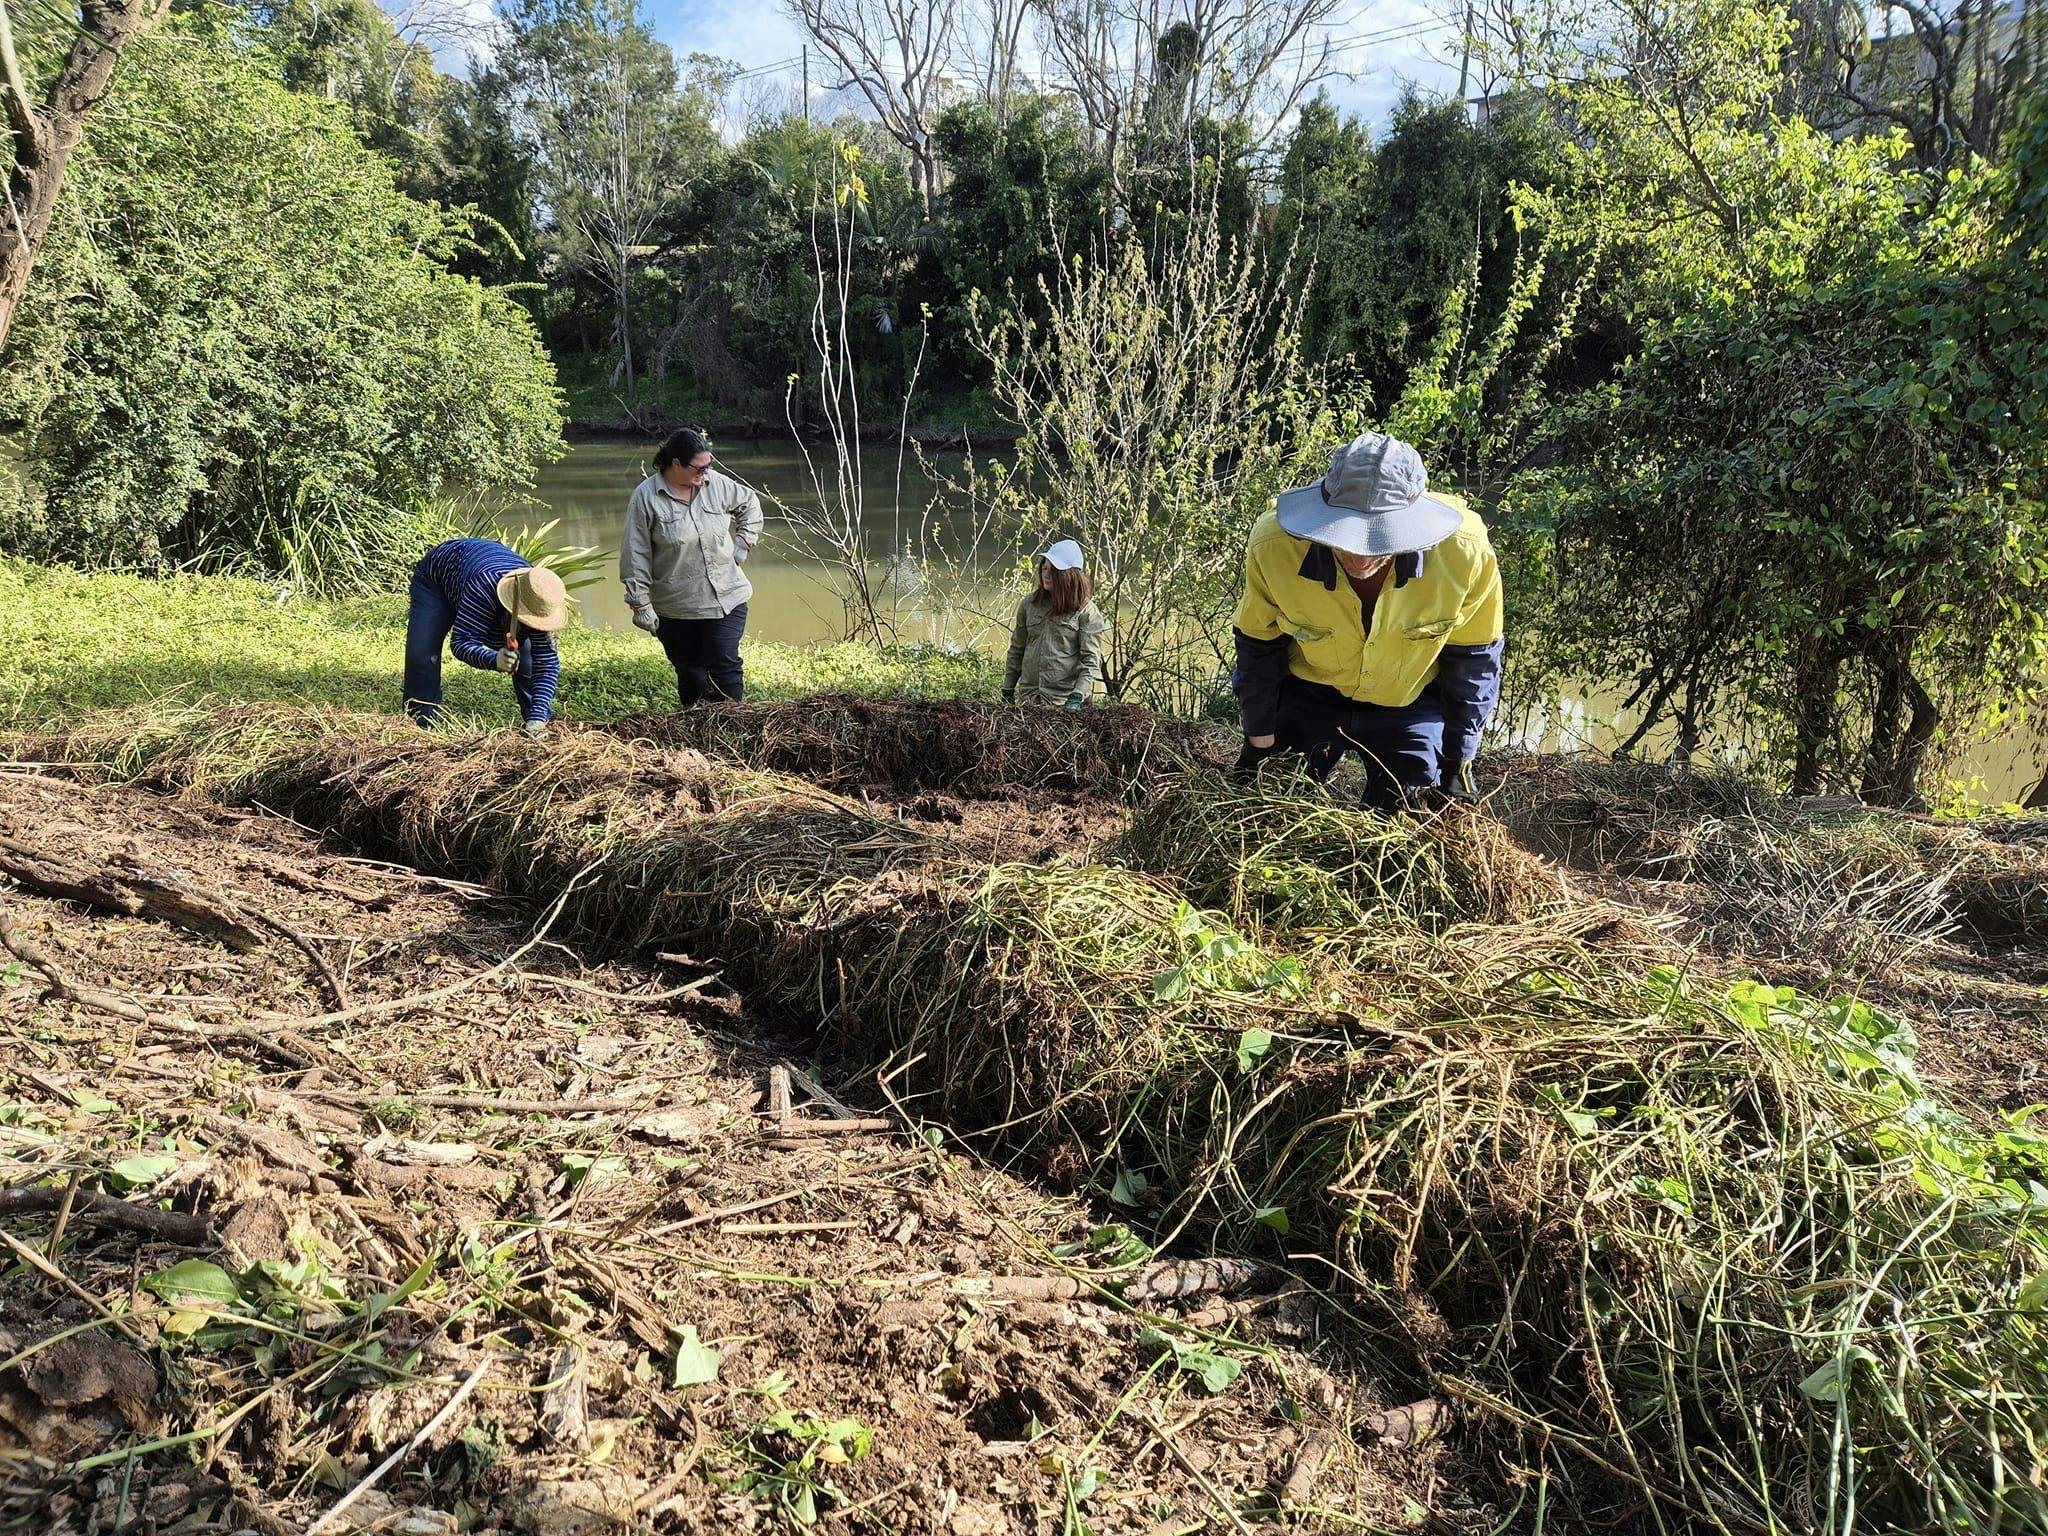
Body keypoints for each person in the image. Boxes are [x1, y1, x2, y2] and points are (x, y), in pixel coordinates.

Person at [1231, 431, 1503, 812]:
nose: (1360, 558)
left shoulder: (1465, 553)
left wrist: (1458, 763)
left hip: (1408, 702)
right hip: (1310, 691)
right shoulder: (1274, 546)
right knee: (1272, 802)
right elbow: (1257, 648)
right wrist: (1258, 743)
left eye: (1379, 539)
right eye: (1346, 535)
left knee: (1406, 822)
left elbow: (1474, 662)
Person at [620, 428, 765, 707]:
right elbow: (634, 553)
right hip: (676, 606)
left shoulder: (716, 484)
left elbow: (750, 503)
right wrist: (640, 603)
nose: (705, 474)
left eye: (709, 466)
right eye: (699, 468)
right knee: (691, 672)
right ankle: (696, 730)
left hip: (727, 596)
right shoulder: (646, 498)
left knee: (724, 664)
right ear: (676, 463)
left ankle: (733, 725)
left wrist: (744, 541)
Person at [403, 537, 568, 737]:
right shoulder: (484, 589)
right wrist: (494, 659)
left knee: (528, 661)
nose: (532, 628)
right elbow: (462, 643)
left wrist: (538, 717)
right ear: (512, 608)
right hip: (439, 579)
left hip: (479, 570)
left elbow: (547, 663)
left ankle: (537, 722)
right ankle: (420, 725)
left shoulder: (541, 598)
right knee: (422, 653)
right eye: (526, 621)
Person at [1001, 539, 1106, 710]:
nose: (1046, 574)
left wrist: (1077, 695)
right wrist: (1008, 688)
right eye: (1044, 568)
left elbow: (1090, 662)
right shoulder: (1029, 603)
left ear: (1070, 575)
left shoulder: (1087, 612)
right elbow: (1017, 649)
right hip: (1029, 701)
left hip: (1064, 702)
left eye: (1053, 570)